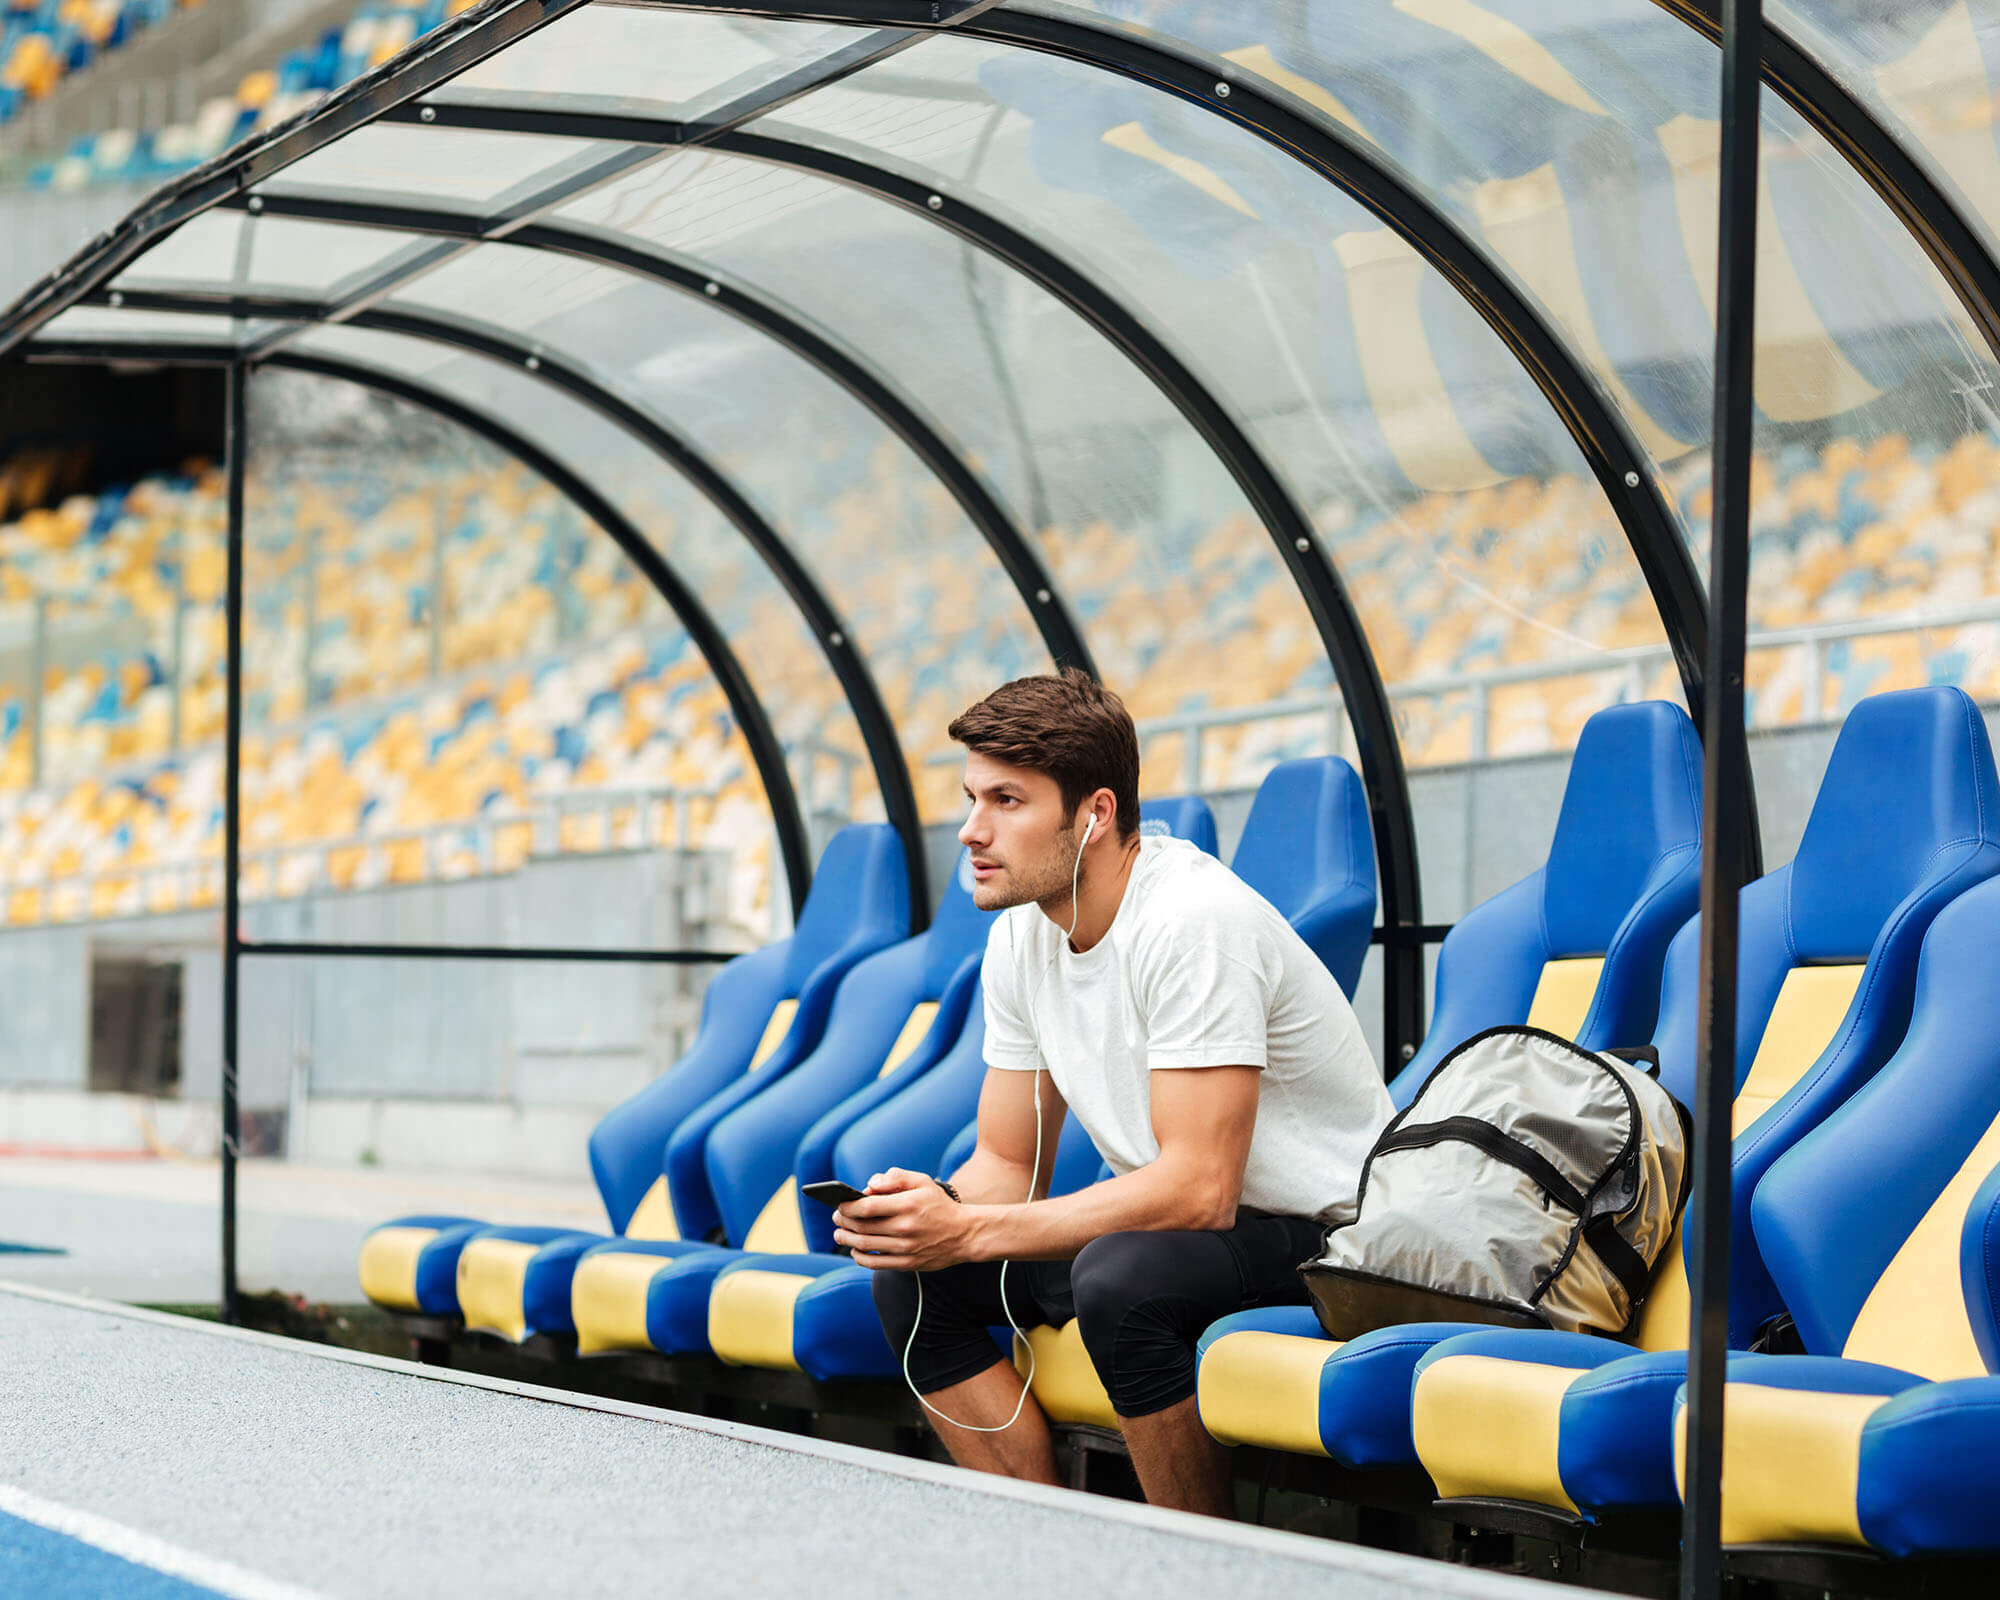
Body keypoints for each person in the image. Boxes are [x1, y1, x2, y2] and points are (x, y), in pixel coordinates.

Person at [833, 670, 1393, 1517]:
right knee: (916, 1280)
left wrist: (972, 1230)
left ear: (1094, 814)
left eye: (1007, 802)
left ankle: (1191, 1560)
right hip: (1185, 1233)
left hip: (1327, 1240)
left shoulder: (1193, 921)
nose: (972, 830)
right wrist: (928, 1216)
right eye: (972, 799)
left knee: (1122, 1276)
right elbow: (1007, 1163)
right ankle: (1044, 1540)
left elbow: (1200, 1190)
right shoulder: (1021, 936)